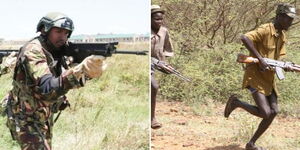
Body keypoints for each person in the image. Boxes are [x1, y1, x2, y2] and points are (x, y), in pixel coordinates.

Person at [2, 12, 106, 150]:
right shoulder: (33, 50)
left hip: (43, 114)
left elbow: (64, 74)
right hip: (25, 118)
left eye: (66, 33)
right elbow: (46, 87)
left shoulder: (58, 50)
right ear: (45, 29)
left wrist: (87, 72)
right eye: (58, 31)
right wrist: (79, 72)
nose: (62, 37)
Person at [224, 3, 296, 150]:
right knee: (265, 112)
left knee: (274, 111)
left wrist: (285, 66)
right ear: (279, 16)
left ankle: (251, 143)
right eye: (288, 18)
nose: (291, 22)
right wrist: (260, 59)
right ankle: (236, 102)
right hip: (255, 76)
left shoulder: (282, 35)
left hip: (269, 79)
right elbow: (244, 38)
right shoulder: (265, 29)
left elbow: (277, 58)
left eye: (292, 19)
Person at [151, 5, 174, 129]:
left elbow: (164, 51)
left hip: (153, 65)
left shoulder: (164, 31)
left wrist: (164, 65)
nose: (159, 22)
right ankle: (152, 118)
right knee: (153, 86)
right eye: (156, 19)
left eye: (161, 19)